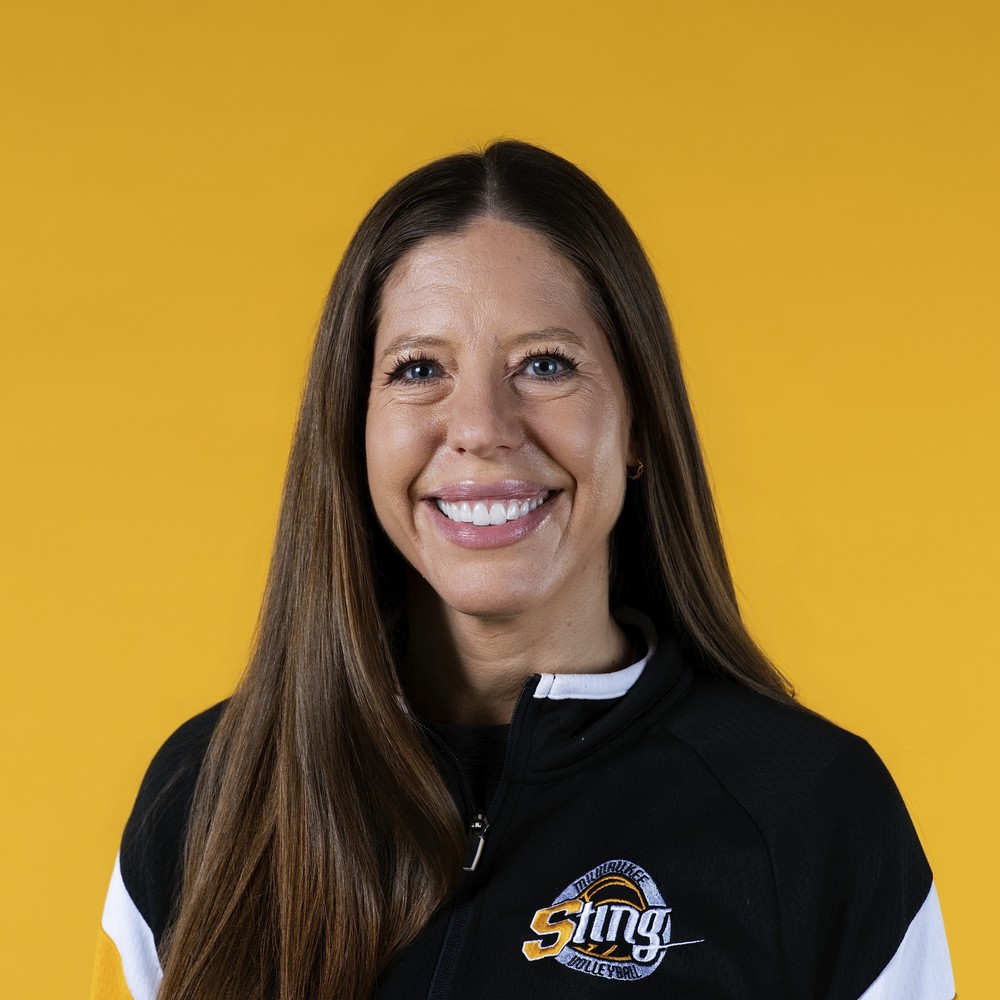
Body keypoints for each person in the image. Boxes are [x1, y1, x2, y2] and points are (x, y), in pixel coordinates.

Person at [92, 140, 955, 1000]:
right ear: (354, 429)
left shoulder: (813, 814)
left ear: (639, 424)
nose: (480, 427)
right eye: (418, 369)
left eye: (545, 365)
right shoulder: (208, 799)